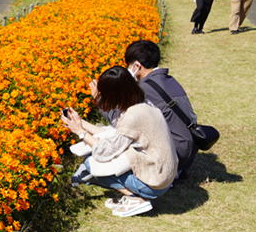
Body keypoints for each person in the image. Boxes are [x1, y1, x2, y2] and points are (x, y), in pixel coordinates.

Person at [64, 66, 178, 217]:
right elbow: (114, 135)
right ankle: (132, 193)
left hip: (155, 183)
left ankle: (134, 198)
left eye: (103, 94)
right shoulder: (143, 103)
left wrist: (80, 132)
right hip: (165, 175)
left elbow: (105, 152)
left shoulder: (133, 116)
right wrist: (80, 123)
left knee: (91, 165)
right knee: (106, 153)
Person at [124, 40, 200, 176]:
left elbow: (126, 121)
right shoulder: (170, 80)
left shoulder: (145, 88)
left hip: (175, 155)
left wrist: (100, 101)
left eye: (128, 66)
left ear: (137, 65)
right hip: (190, 150)